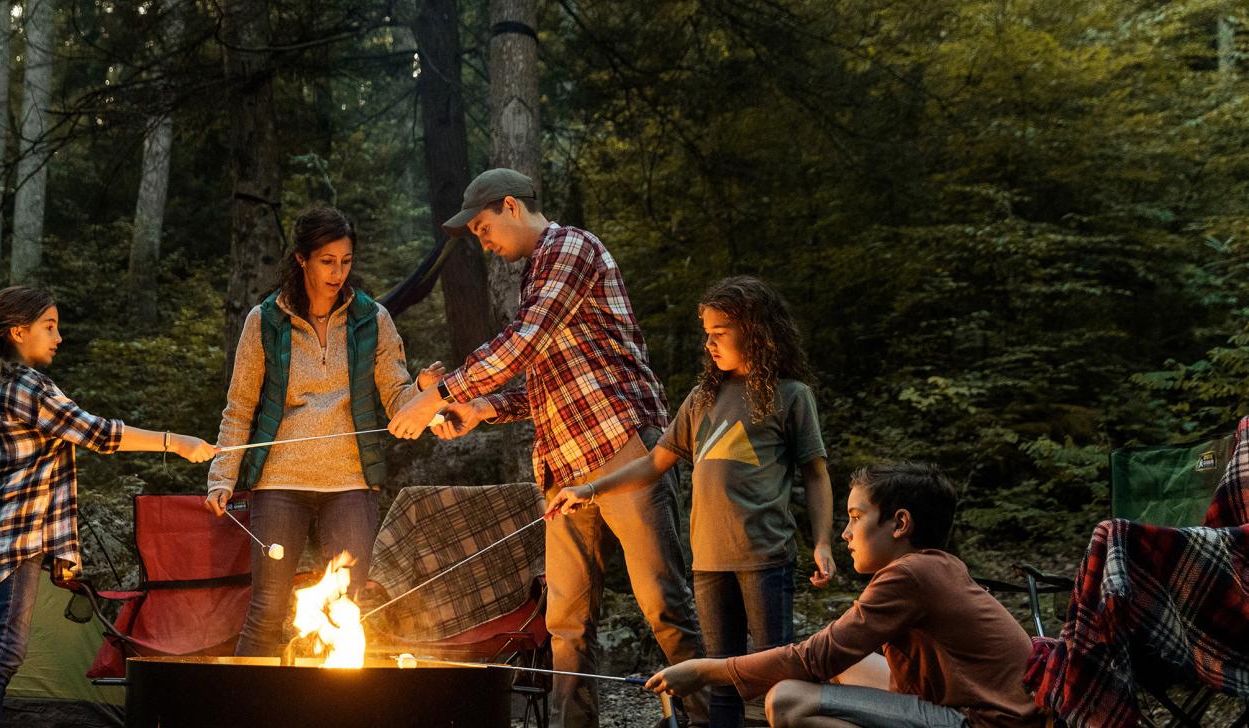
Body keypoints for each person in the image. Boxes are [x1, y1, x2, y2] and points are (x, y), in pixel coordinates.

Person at [388, 168, 706, 727]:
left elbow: (526, 342)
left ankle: (709, 719)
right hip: (563, 465)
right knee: (565, 622)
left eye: (484, 228)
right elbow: (549, 383)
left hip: (624, 446)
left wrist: (434, 396)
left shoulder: (571, 248)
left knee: (664, 602)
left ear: (511, 206)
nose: (484, 242)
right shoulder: (536, 274)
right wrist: (481, 408)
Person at [549, 275, 836, 728]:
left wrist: (822, 542)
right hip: (708, 563)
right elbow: (653, 462)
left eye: (719, 332)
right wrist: (589, 489)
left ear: (756, 331)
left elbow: (816, 475)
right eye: (706, 333)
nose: (709, 343)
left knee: (772, 673)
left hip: (765, 558)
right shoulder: (703, 399)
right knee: (718, 678)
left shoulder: (790, 396)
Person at [0, 285, 218, 728]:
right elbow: (98, 434)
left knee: (4, 650)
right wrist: (176, 442)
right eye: (49, 327)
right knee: (3, 652)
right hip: (15, 539)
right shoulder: (26, 386)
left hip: (10, 537)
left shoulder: (1, 388)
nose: (58, 337)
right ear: (18, 332)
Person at [207, 207, 443, 656]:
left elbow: (396, 399)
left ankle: (330, 696)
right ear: (302, 259)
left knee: (346, 609)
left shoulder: (372, 319)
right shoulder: (265, 321)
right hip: (280, 483)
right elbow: (239, 408)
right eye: (327, 261)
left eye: (346, 261)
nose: (338, 273)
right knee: (267, 608)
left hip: (350, 483)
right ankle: (242, 697)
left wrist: (423, 389)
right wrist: (222, 477)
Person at [644, 463, 1044, 728]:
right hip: (998, 708)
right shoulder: (935, 566)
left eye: (855, 517)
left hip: (987, 721)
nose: (845, 534)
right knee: (848, 667)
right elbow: (831, 654)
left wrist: (705, 670)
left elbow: (813, 657)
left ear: (900, 523)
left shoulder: (910, 575)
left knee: (787, 701)